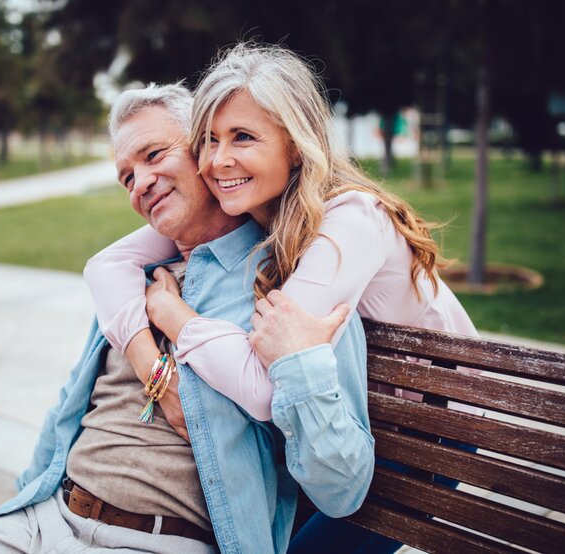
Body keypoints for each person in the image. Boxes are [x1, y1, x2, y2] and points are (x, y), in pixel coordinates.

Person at [0, 82, 374, 554]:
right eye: (127, 177)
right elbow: (66, 408)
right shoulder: (135, 282)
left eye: (153, 155)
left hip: (153, 540)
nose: (140, 182)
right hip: (42, 521)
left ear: (203, 154)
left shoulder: (293, 289)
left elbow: (341, 488)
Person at [84, 43, 480, 553]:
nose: (218, 160)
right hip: (357, 419)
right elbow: (106, 265)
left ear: (295, 145)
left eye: (243, 137)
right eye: (208, 140)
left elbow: (259, 381)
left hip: (435, 429)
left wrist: (173, 314)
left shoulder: (350, 221)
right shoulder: (251, 206)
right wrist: (148, 362)